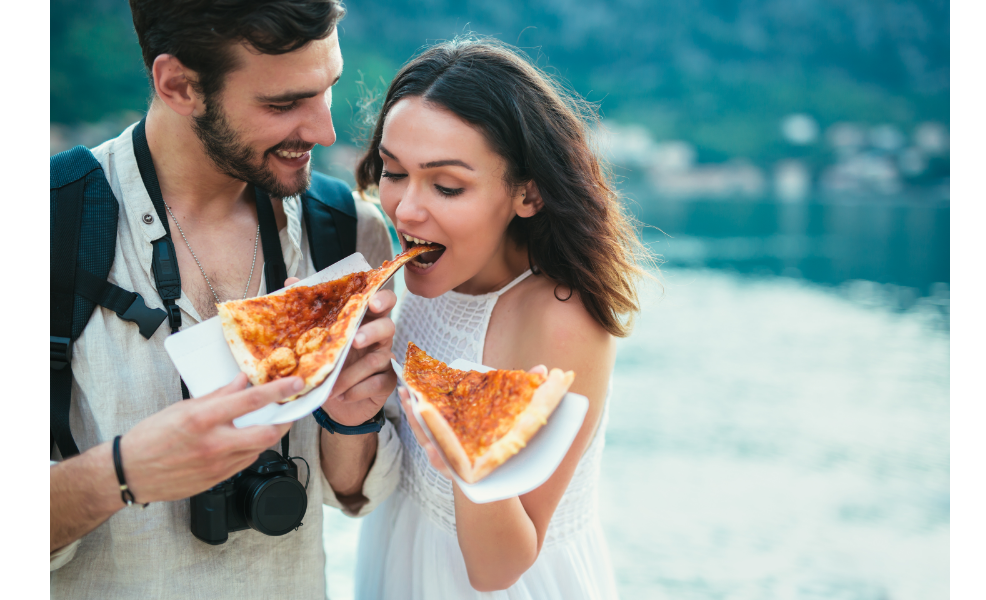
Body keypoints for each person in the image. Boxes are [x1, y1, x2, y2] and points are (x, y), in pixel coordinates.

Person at [49, 2, 403, 598]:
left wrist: (350, 413)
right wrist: (123, 472)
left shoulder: (349, 231)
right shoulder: (45, 228)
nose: (325, 132)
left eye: (328, 90)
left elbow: (353, 493)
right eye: (284, 103)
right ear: (179, 85)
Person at [351, 37, 648, 598]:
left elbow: (500, 568)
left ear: (528, 194)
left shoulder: (560, 318)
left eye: (446, 186)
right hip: (397, 566)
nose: (406, 209)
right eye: (392, 171)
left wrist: (472, 464)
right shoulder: (413, 280)